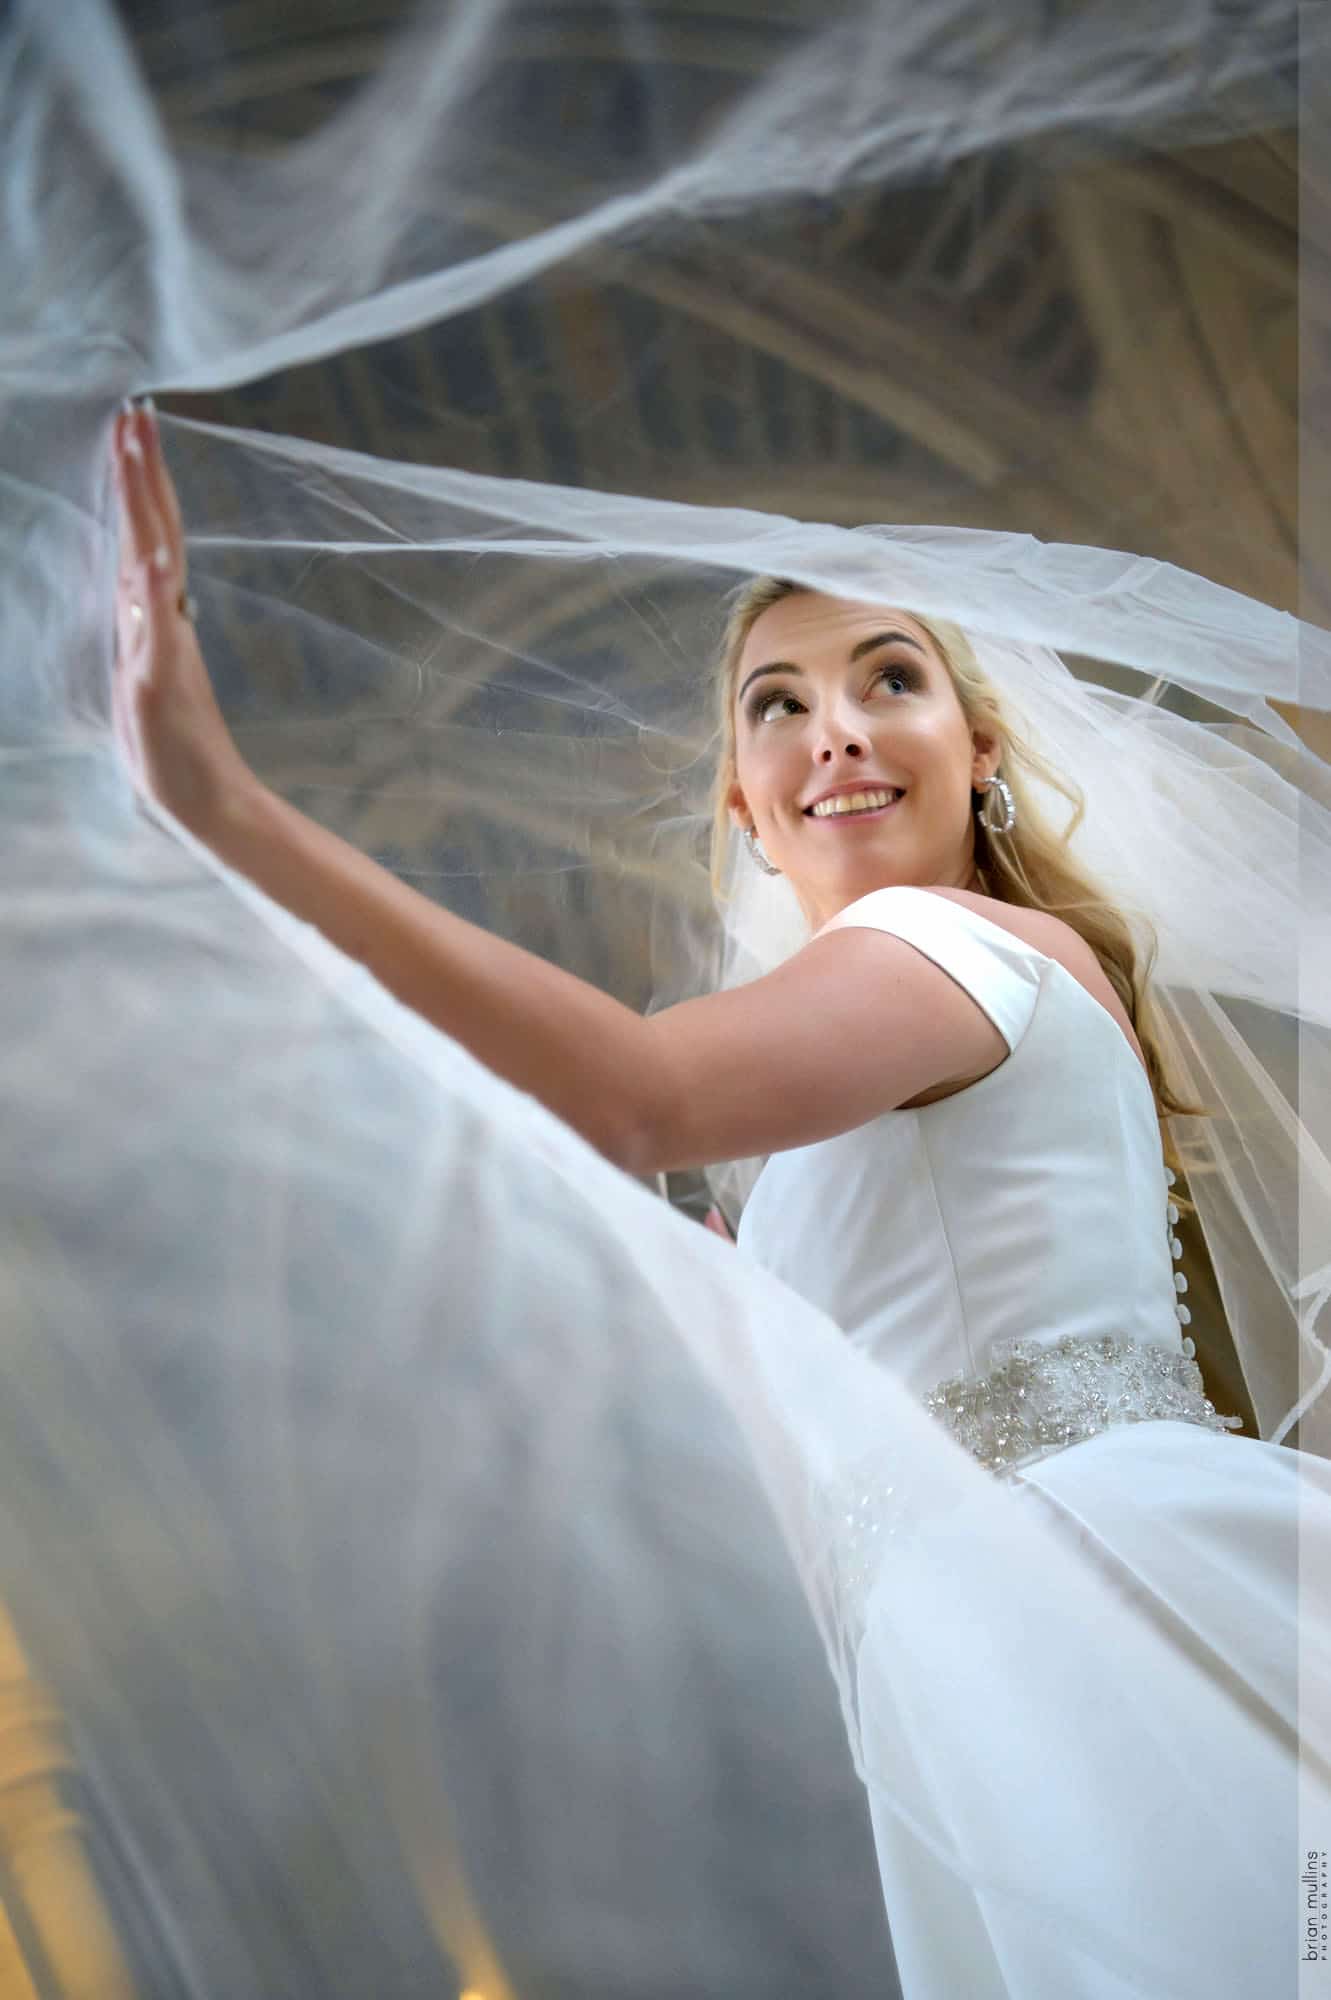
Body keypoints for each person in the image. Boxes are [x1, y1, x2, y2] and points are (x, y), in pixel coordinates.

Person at [110, 398, 1329, 1997]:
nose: (836, 727)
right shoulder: (836, 1111)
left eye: (891, 678)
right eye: (779, 704)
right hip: (966, 1667)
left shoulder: (957, 947)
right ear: (745, 809)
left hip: (1091, 1605)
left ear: (984, 759)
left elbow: (630, 1093)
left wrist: (223, 804)